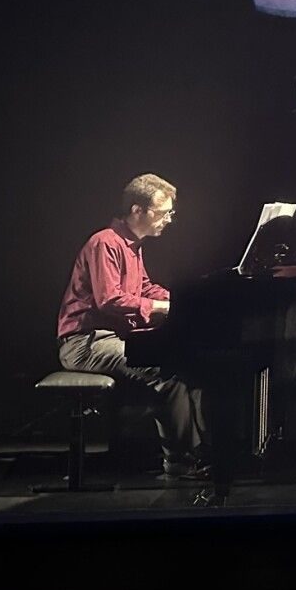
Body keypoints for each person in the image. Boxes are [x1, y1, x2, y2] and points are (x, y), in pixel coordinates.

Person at [56, 173, 208, 480]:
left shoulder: (132, 246)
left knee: (186, 365)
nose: (169, 219)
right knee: (167, 373)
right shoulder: (104, 243)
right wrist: (161, 308)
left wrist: (179, 299)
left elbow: (144, 287)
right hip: (85, 343)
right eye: (164, 212)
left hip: (110, 338)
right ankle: (180, 462)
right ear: (137, 210)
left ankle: (202, 453)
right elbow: (109, 300)